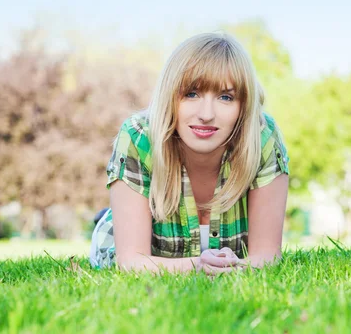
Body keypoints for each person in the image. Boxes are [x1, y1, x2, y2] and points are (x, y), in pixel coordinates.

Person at [89, 32, 290, 275]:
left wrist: (238, 267)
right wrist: (198, 266)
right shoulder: (138, 136)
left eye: (226, 97)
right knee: (117, 226)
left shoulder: (263, 137)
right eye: (191, 94)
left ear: (243, 105)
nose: (206, 114)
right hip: (129, 241)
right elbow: (130, 260)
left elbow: (267, 256)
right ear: (170, 95)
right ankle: (110, 214)